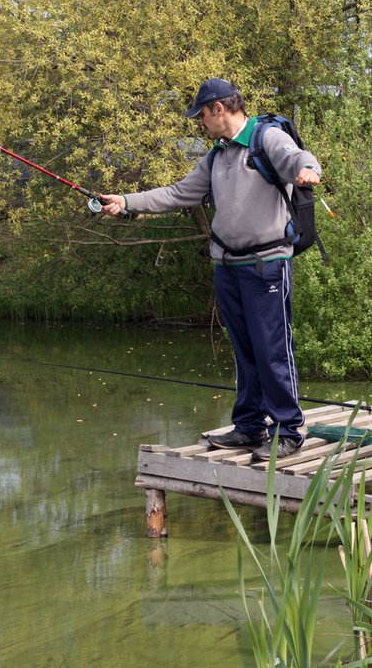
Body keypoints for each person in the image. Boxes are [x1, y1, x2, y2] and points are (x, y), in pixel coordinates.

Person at [97, 78, 321, 461]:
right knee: (244, 349)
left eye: (202, 114)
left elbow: (300, 157)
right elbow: (178, 193)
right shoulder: (217, 156)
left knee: (272, 349)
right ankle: (250, 426)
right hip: (228, 267)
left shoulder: (265, 138)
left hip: (267, 266)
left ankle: (287, 430)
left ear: (219, 109)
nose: (200, 122)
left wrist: (307, 171)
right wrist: (127, 201)